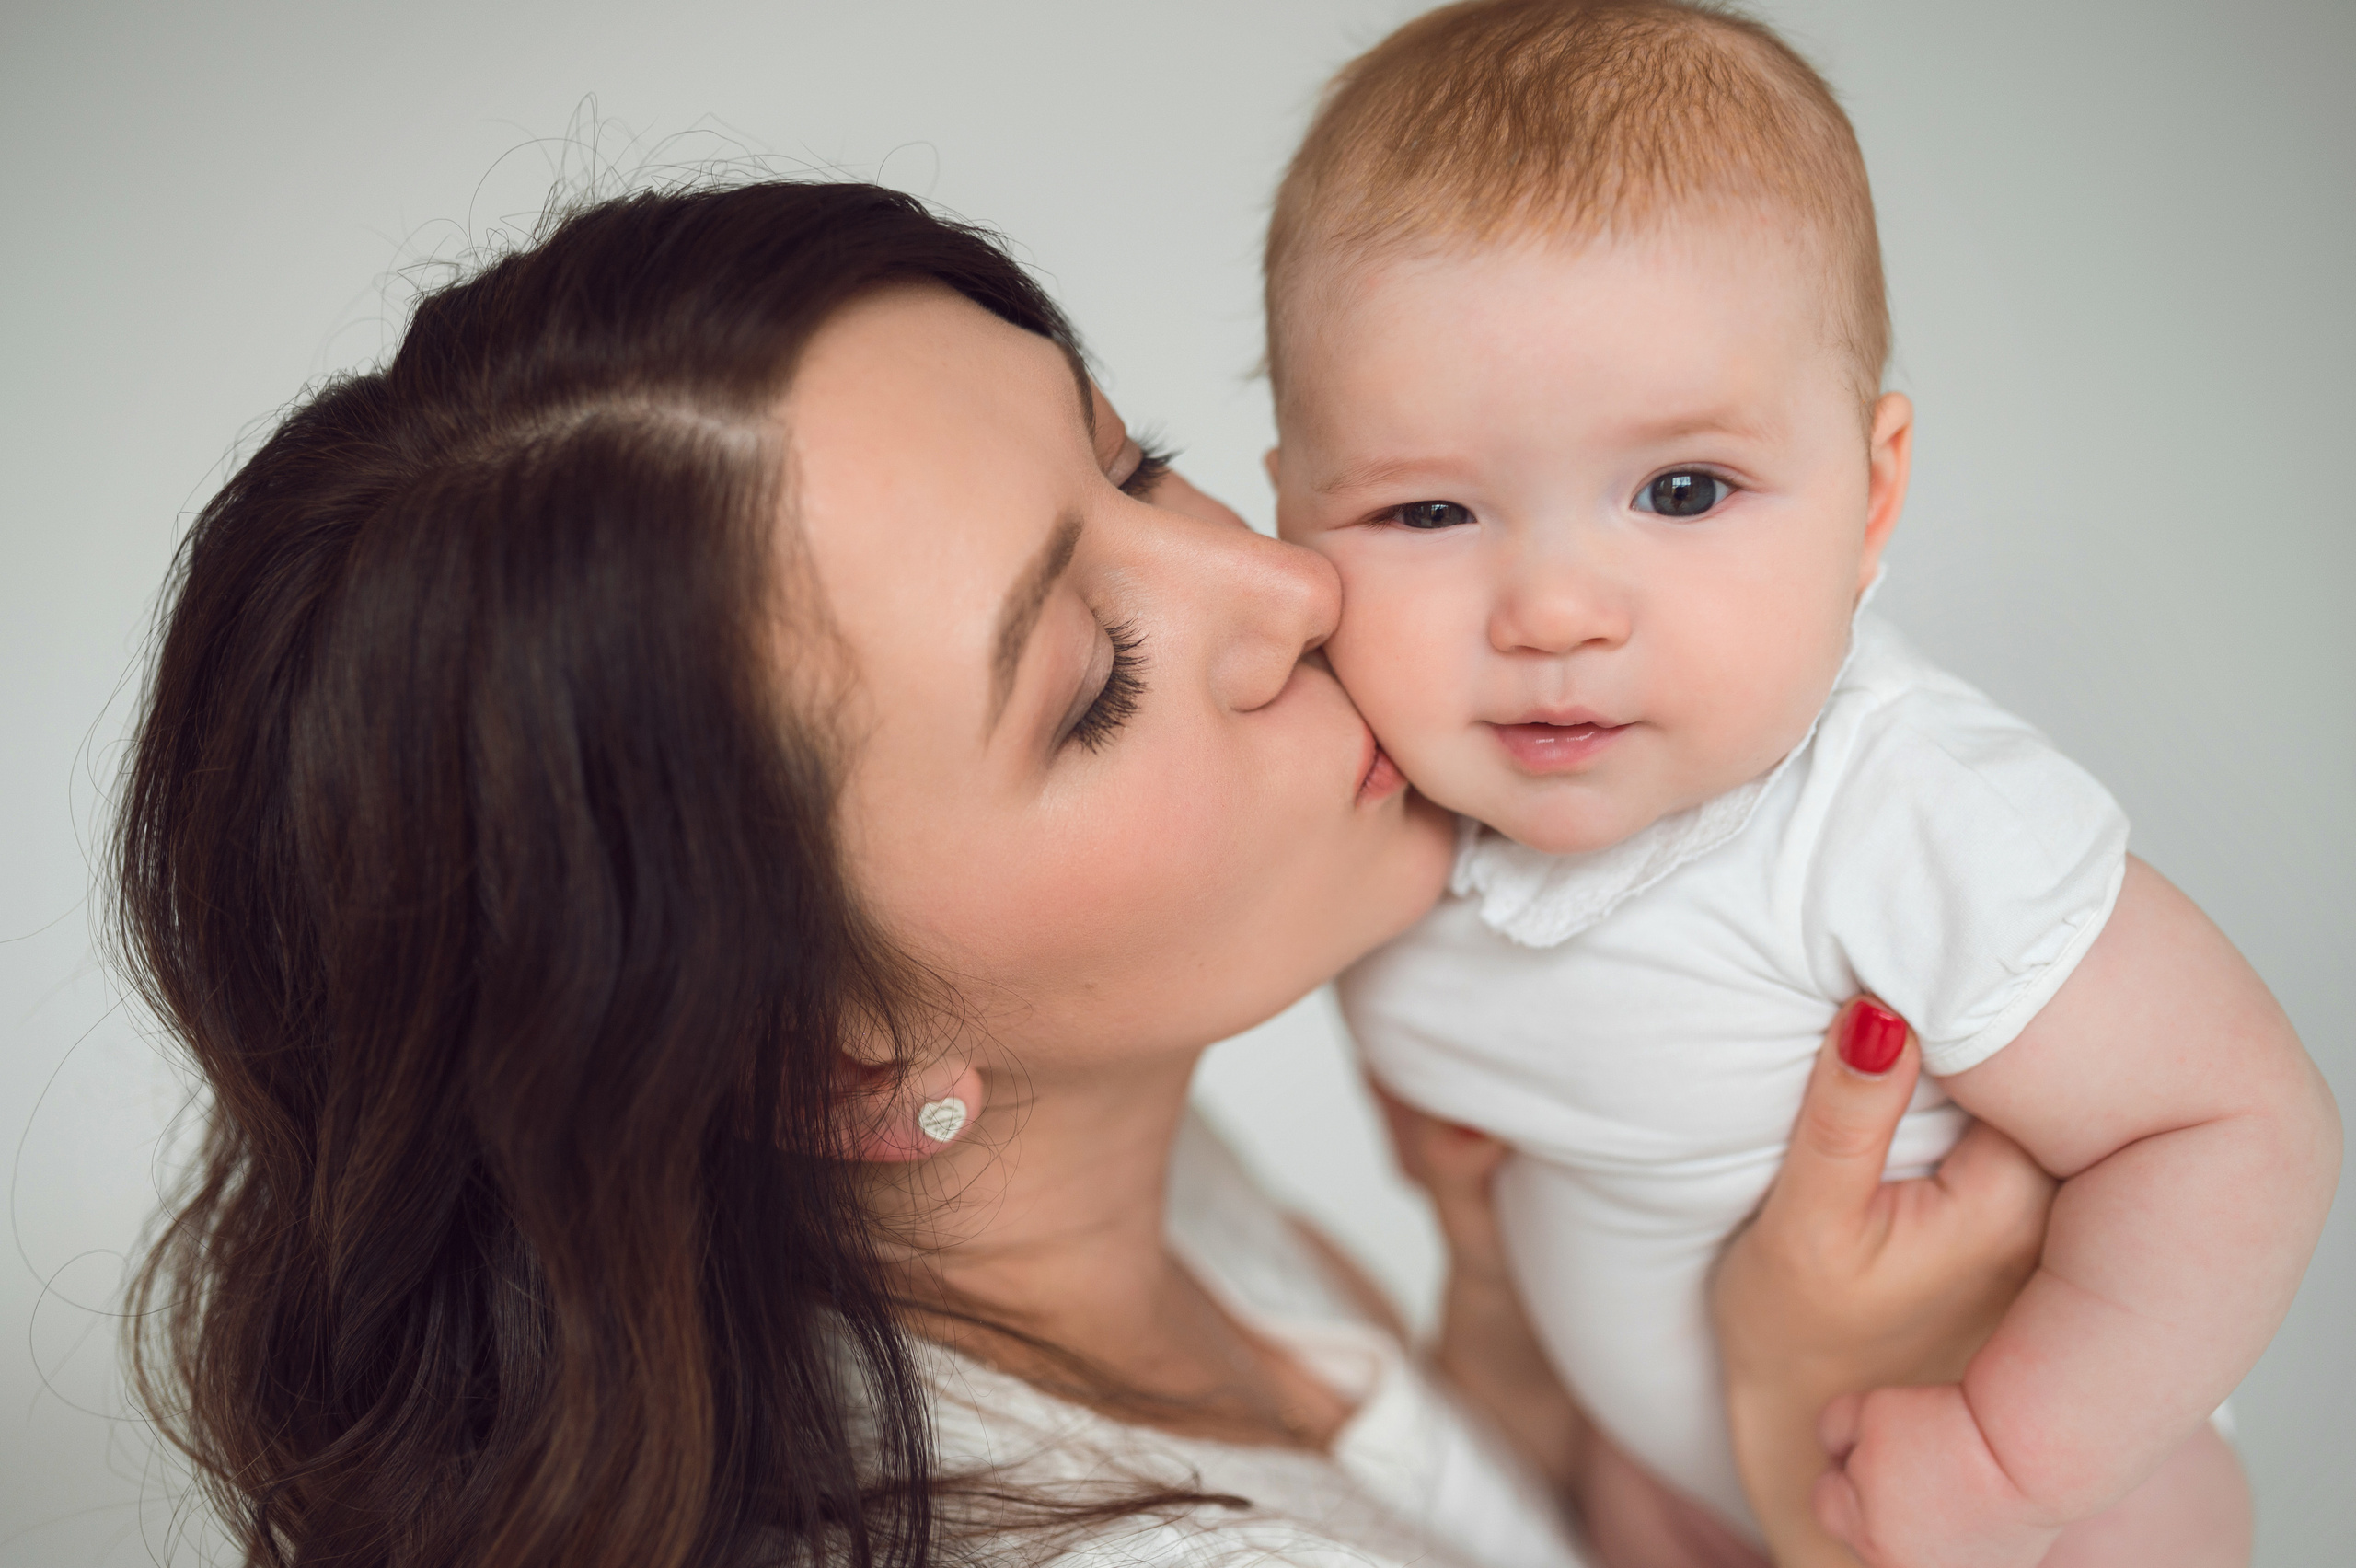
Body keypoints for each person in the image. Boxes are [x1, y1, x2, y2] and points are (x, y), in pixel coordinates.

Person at [116, 179, 2050, 1568]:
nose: (1292, 585)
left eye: (1139, 470)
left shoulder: (1060, 1208)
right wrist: (1833, 1459)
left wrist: (1509, 1353)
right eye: (1090, 688)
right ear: (829, 1070)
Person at [1259, 3, 2341, 1566]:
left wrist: (2011, 1454)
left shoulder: (1893, 809)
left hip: (2040, 1502)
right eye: (1429, 511)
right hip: (1658, 1485)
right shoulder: (1365, 837)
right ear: (1289, 519)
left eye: (1681, 490)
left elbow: (2241, 1124)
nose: (1554, 611)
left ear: (1871, 495)